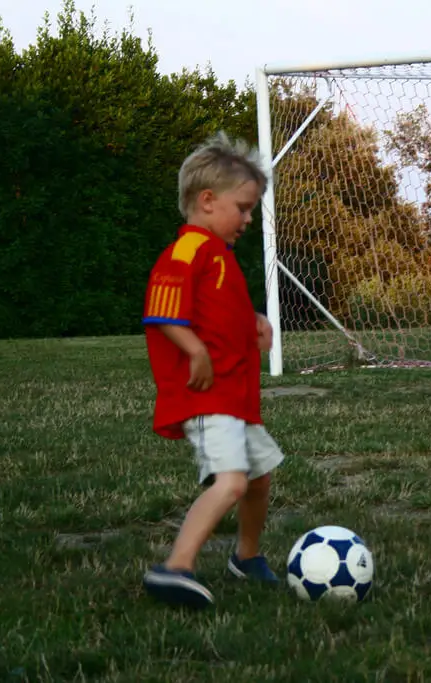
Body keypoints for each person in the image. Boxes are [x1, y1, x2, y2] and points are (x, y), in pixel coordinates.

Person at [140, 131, 284, 608]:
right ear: (206, 201)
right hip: (207, 397)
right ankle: (174, 567)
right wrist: (194, 350)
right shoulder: (187, 250)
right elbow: (162, 309)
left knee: (259, 478)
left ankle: (245, 558)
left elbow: (218, 314)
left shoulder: (219, 257)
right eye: (242, 207)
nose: (247, 218)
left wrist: (254, 325)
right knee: (233, 482)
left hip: (236, 399)